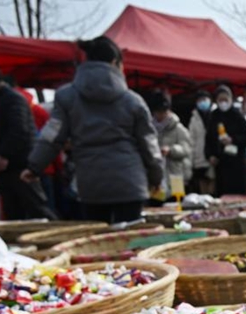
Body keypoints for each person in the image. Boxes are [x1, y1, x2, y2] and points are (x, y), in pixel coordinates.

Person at [23, 37, 163, 224]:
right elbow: (149, 143)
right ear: (115, 63)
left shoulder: (67, 97)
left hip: (91, 185)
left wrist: (34, 166)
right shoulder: (133, 101)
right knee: (133, 243)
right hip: (129, 183)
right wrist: (156, 175)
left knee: (98, 242)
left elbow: (52, 135)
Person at [0, 63, 57, 221]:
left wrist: (4, 154)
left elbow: (19, 130)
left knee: (37, 209)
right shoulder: (0, 101)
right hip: (12, 167)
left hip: (20, 165)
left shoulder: (12, 99)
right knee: (15, 211)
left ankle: (56, 237)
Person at [206, 85, 246, 196]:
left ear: (230, 99)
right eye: (220, 100)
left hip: (237, 164)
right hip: (221, 165)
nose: (223, 103)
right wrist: (210, 155)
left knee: (238, 195)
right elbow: (209, 139)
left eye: (225, 99)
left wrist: (233, 139)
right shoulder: (213, 116)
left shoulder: (237, 115)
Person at [148, 92, 192, 194]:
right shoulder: (149, 129)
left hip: (176, 175)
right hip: (156, 177)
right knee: (156, 207)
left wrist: (171, 150)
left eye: (164, 112)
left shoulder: (178, 128)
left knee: (176, 204)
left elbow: (186, 148)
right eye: (158, 112)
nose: (161, 115)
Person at [188, 90, 214, 194]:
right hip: (199, 157)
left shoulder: (215, 116)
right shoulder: (194, 120)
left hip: (213, 157)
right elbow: (191, 141)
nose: (203, 102)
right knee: (202, 182)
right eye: (200, 100)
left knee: (213, 182)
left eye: (205, 99)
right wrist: (192, 159)